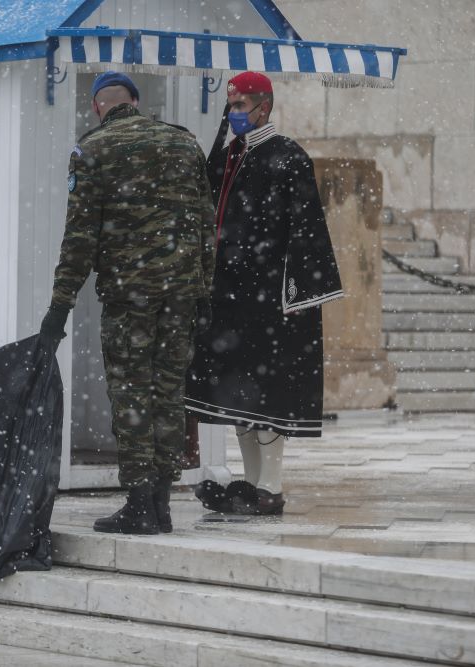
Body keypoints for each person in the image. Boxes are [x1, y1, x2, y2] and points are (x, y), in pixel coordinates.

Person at [39, 71, 215, 535]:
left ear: (97, 107)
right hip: (181, 293)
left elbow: (79, 239)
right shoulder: (185, 144)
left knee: (132, 392)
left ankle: (139, 502)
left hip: (129, 295)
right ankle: (162, 502)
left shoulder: (92, 150)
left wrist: (59, 307)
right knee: (168, 391)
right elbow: (206, 224)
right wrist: (204, 290)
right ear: (135, 101)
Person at [186, 71, 343, 515]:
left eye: (240, 106)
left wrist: (295, 293)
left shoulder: (287, 156)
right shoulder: (229, 156)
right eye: (231, 106)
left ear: (263, 107)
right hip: (229, 298)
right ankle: (251, 483)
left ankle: (270, 486)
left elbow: (306, 228)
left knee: (267, 395)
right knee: (238, 394)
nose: (234, 114)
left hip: (268, 299)